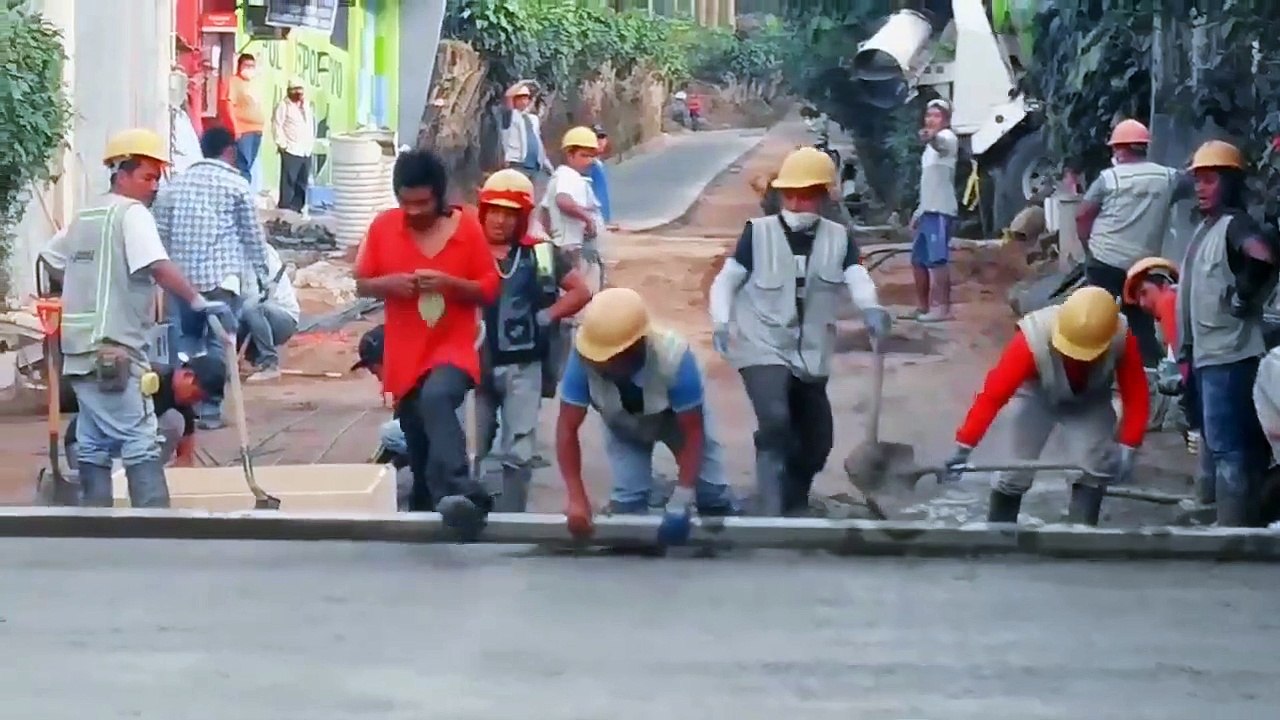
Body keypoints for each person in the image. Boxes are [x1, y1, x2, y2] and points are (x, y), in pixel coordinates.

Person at [38, 128, 227, 507]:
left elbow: (52, 257)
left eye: (158, 177)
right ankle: (152, 527)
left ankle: (95, 524)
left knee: (93, 440)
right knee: (141, 436)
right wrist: (196, 300)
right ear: (121, 173)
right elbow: (157, 265)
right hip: (114, 349)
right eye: (147, 176)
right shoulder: (132, 214)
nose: (154, 185)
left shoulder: (86, 216)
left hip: (78, 352)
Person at [707, 147, 892, 516]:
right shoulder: (756, 234)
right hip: (761, 342)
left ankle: (794, 501)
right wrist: (721, 321)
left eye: (805, 196)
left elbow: (857, 277)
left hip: (811, 351)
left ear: (824, 197)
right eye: (789, 196)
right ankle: (770, 505)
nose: (795, 204)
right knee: (775, 419)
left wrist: (871, 308)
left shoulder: (839, 238)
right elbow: (725, 282)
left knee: (818, 441)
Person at [354, 148, 500, 537]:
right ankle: (429, 519)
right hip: (405, 354)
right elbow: (362, 281)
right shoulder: (384, 227)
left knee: (437, 396)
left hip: (453, 346)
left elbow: (488, 289)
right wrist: (390, 284)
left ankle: (463, 488)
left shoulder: (467, 228)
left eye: (423, 202)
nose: (414, 211)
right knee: (417, 445)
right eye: (406, 202)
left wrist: (452, 285)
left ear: (439, 196)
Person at [945, 287, 1150, 525]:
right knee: (1015, 468)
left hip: (1090, 400)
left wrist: (1129, 446)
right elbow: (993, 396)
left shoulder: (1120, 336)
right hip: (1037, 396)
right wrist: (964, 446)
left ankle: (1082, 535)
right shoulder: (1032, 338)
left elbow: (1136, 394)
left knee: (1095, 465)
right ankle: (999, 532)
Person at [557, 287, 738, 545]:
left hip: (675, 420)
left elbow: (693, 433)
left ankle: (712, 523)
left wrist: (682, 497)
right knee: (629, 502)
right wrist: (575, 496)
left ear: (633, 348)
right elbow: (566, 428)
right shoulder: (583, 358)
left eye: (608, 358)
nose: (598, 364)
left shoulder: (674, 358)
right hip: (621, 423)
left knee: (712, 495)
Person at [1176, 140, 1279, 526]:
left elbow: (1264, 254)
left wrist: (1246, 290)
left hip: (1229, 356)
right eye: (1197, 181)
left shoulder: (1235, 224)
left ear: (1230, 184)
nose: (1200, 188)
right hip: (1210, 355)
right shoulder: (1208, 229)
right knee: (1231, 446)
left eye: (1210, 180)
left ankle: (1233, 532)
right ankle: (1242, 520)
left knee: (1229, 450)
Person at [474, 170, 591, 512]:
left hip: (524, 364)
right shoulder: (468, 251)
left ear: (522, 217)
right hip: (475, 365)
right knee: (476, 446)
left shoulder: (541, 253)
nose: (499, 220)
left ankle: (512, 516)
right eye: (493, 211)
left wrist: (545, 316)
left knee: (520, 446)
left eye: (509, 213)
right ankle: (476, 511)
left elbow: (581, 291)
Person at [152, 126, 269, 429]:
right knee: (221, 343)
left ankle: (186, 409)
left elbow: (160, 237)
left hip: (181, 281)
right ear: (229, 151)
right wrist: (262, 274)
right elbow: (253, 236)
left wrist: (165, 275)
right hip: (221, 280)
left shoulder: (175, 186)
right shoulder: (236, 185)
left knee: (186, 344)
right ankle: (211, 410)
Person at [1076, 119, 1179, 367]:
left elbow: (1082, 215)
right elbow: (1192, 186)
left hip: (1105, 259)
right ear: (1144, 147)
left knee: (1097, 319)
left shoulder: (1108, 179)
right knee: (1140, 324)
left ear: (1120, 149)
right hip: (1142, 266)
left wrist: (1087, 247)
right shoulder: (1169, 177)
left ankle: (1093, 371)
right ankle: (1149, 374)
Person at [63, 353, 225, 471]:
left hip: (125, 454)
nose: (196, 402)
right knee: (170, 421)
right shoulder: (148, 378)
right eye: (197, 395)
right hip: (88, 448)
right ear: (187, 376)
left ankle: (145, 472)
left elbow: (186, 459)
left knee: (175, 420)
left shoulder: (183, 407)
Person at [905, 99, 959, 323]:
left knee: (938, 260)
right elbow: (929, 185)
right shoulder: (928, 151)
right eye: (929, 115)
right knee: (918, 260)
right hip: (928, 210)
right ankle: (923, 307)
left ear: (945, 120)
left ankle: (943, 309)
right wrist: (918, 212)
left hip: (941, 210)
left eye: (936, 115)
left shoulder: (948, 138)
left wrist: (931, 138)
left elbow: (941, 144)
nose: (931, 119)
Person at [236, 242, 300, 382]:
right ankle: (251, 361)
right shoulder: (235, 253)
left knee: (250, 307)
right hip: (261, 316)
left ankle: (269, 364)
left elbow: (254, 297)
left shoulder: (259, 253)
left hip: (282, 319)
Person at [498, 82, 553, 198]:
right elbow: (508, 96)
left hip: (535, 166)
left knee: (531, 199)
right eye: (520, 98)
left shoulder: (533, 119)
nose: (523, 101)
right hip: (517, 164)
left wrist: (547, 163)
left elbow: (537, 141)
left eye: (526, 98)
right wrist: (523, 83)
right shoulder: (510, 116)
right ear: (515, 100)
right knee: (516, 197)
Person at [271, 77, 315, 213]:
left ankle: (298, 209)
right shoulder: (283, 105)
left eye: (300, 89)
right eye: (295, 89)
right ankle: (285, 210)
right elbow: (276, 126)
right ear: (289, 91)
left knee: (302, 182)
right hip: (291, 149)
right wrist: (282, 144)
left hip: (305, 150)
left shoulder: (307, 105)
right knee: (289, 181)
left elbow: (310, 125)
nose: (298, 92)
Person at [227, 53, 265, 182]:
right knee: (243, 165)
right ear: (239, 66)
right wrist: (235, 127)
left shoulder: (254, 83)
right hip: (243, 130)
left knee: (249, 164)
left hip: (257, 130)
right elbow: (230, 105)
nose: (249, 69)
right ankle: (242, 194)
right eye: (246, 65)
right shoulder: (235, 82)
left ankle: (246, 192)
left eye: (252, 66)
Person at [587, 125, 612, 225]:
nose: (600, 141)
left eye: (602, 137)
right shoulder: (588, 165)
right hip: (594, 221)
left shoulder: (598, 164)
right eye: (596, 138)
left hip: (602, 220)